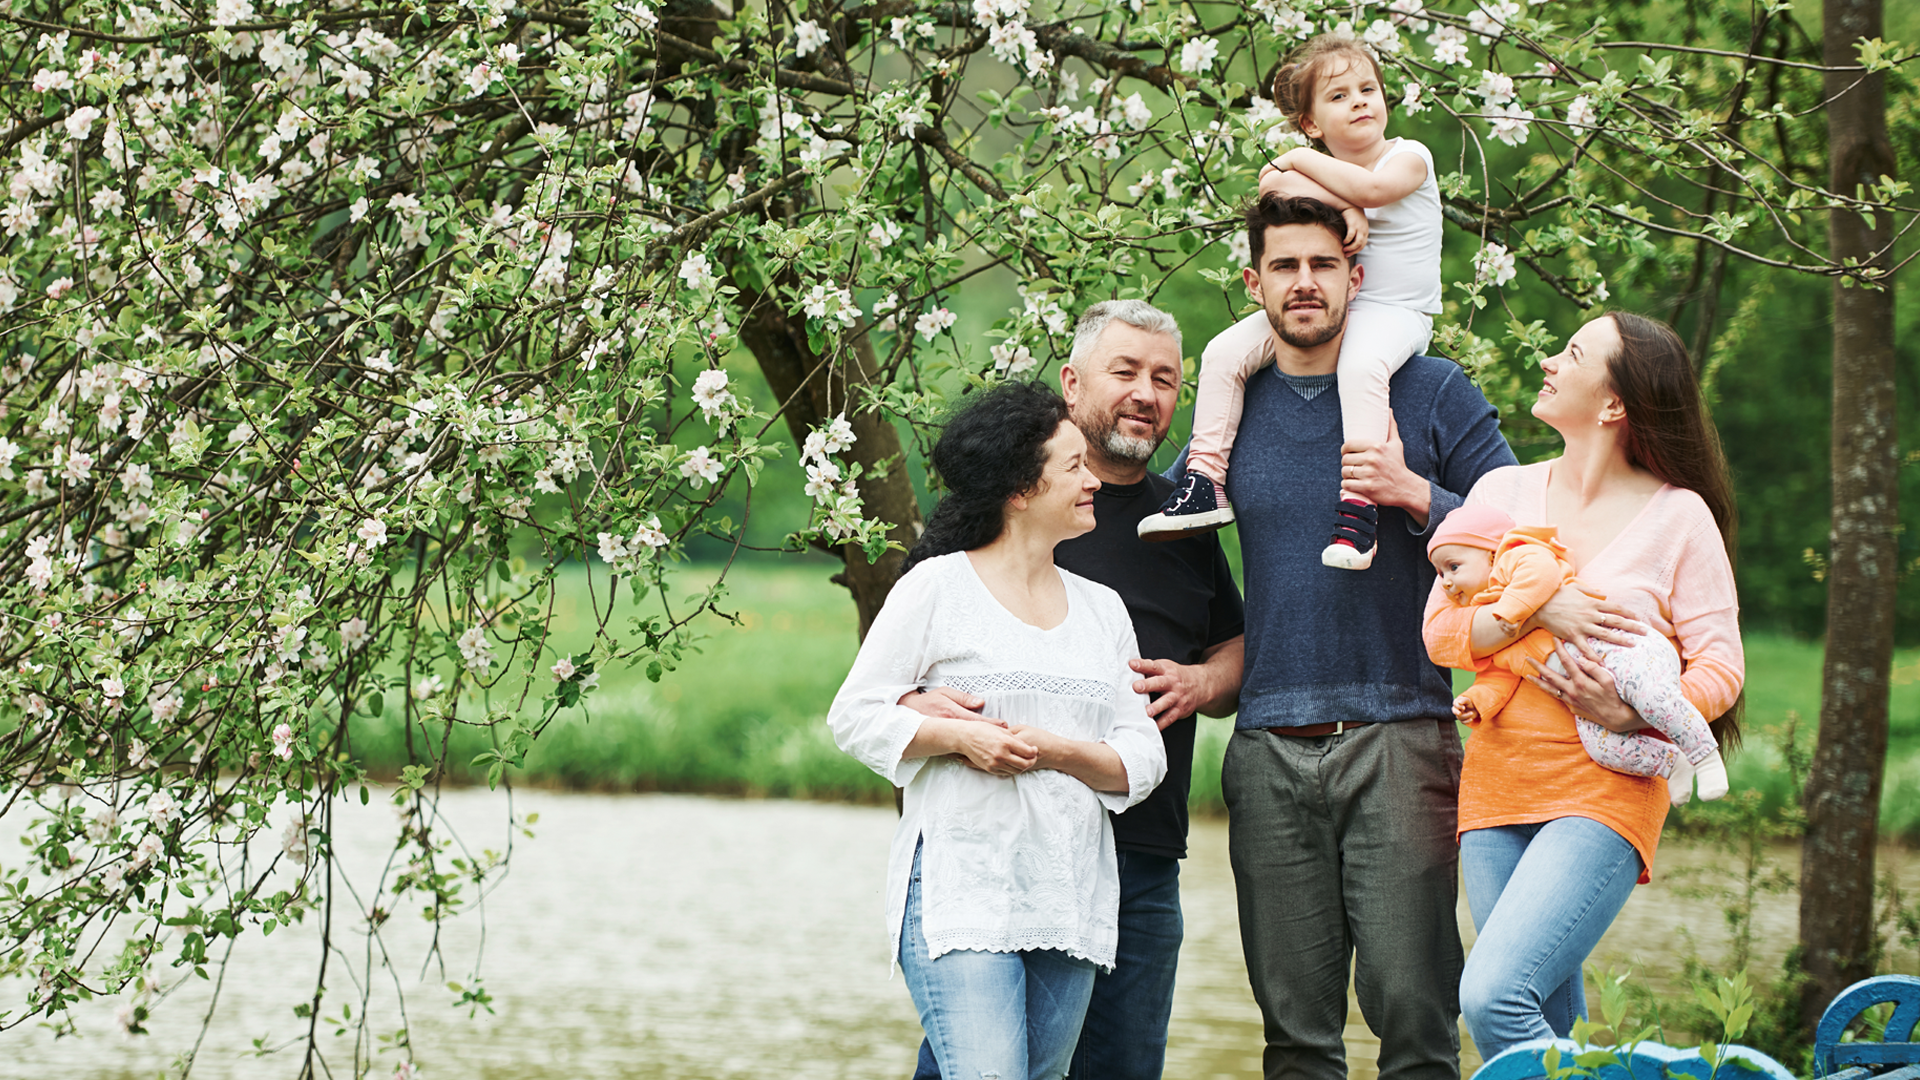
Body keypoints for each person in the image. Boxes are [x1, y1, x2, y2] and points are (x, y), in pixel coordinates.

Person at [1210, 193, 1515, 1080]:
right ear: (1254, 281)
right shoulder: (1232, 402)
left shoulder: (1431, 389)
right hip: (1265, 747)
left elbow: (1525, 538)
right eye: (1283, 266)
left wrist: (1415, 492)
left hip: (1402, 736)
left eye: (1321, 264)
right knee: (1294, 1037)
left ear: (1357, 275)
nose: (1304, 283)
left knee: (1416, 1022)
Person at [905, 299, 1247, 1080]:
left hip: (1144, 857)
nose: (1145, 394)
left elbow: (1233, 646)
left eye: (1164, 379)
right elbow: (900, 669)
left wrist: (1202, 681)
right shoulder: (1004, 511)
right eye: (1124, 371)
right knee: (983, 1064)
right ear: (1071, 381)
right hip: (1006, 857)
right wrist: (918, 708)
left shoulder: (1187, 518)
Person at [1421, 312, 1745, 1059]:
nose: (1547, 359)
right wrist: (1533, 610)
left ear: (1613, 404)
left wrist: (1635, 715)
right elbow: (1441, 628)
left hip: (1605, 791)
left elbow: (1721, 665)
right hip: (1497, 786)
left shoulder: (1679, 516)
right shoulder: (1503, 489)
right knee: (1539, 1027)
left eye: (1570, 352)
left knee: (1492, 996)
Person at [827, 381, 1169, 1080]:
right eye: (1073, 466)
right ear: (1020, 488)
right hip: (963, 888)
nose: (1093, 479)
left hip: (1069, 893)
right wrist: (959, 738)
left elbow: (1143, 757)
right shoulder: (937, 587)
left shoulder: (1103, 611)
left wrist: (1059, 751)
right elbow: (855, 715)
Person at [1140, 34, 1441, 574]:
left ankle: (1359, 506)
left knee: (1361, 365)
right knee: (1223, 352)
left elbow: (1371, 189)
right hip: (1328, 307)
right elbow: (1269, 184)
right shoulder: (1317, 169)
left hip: (1395, 312)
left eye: (1368, 89)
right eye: (1340, 96)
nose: (1360, 102)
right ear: (1311, 122)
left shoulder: (1409, 157)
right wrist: (1335, 196)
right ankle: (1205, 481)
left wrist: (1320, 177)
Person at [1428, 504, 1731, 805]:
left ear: (1491, 555)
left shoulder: (1515, 557)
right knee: (1603, 749)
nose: (1446, 582)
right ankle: (1671, 763)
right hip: (1586, 691)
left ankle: (1704, 756)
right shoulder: (1499, 624)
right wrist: (1477, 701)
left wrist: (1511, 612)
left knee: (1652, 697)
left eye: (1454, 567)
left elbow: (1540, 573)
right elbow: (1500, 676)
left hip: (1624, 652)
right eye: (1440, 573)